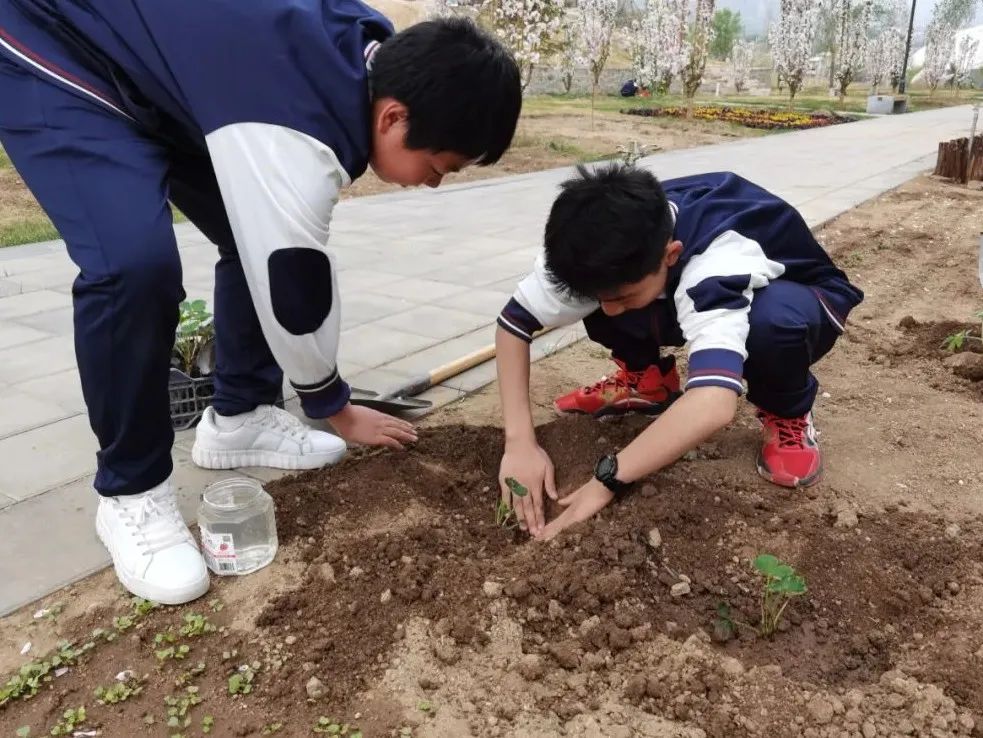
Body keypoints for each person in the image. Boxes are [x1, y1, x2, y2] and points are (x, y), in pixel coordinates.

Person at [0, 1, 521, 604]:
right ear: (393, 116)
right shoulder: (295, 123)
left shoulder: (362, 48)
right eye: (438, 167)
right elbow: (292, 286)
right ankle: (131, 492)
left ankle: (239, 417)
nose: (433, 183)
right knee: (133, 268)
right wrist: (334, 406)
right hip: (57, 41)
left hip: (168, 68)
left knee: (239, 225)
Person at [495, 164, 863, 540]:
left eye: (622, 296)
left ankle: (787, 411)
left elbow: (714, 404)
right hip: (676, 283)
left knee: (771, 324)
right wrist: (519, 444)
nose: (609, 311)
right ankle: (647, 382)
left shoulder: (717, 262)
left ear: (670, 255)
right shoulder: (593, 241)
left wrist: (607, 479)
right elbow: (512, 325)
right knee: (610, 296)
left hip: (800, 295)